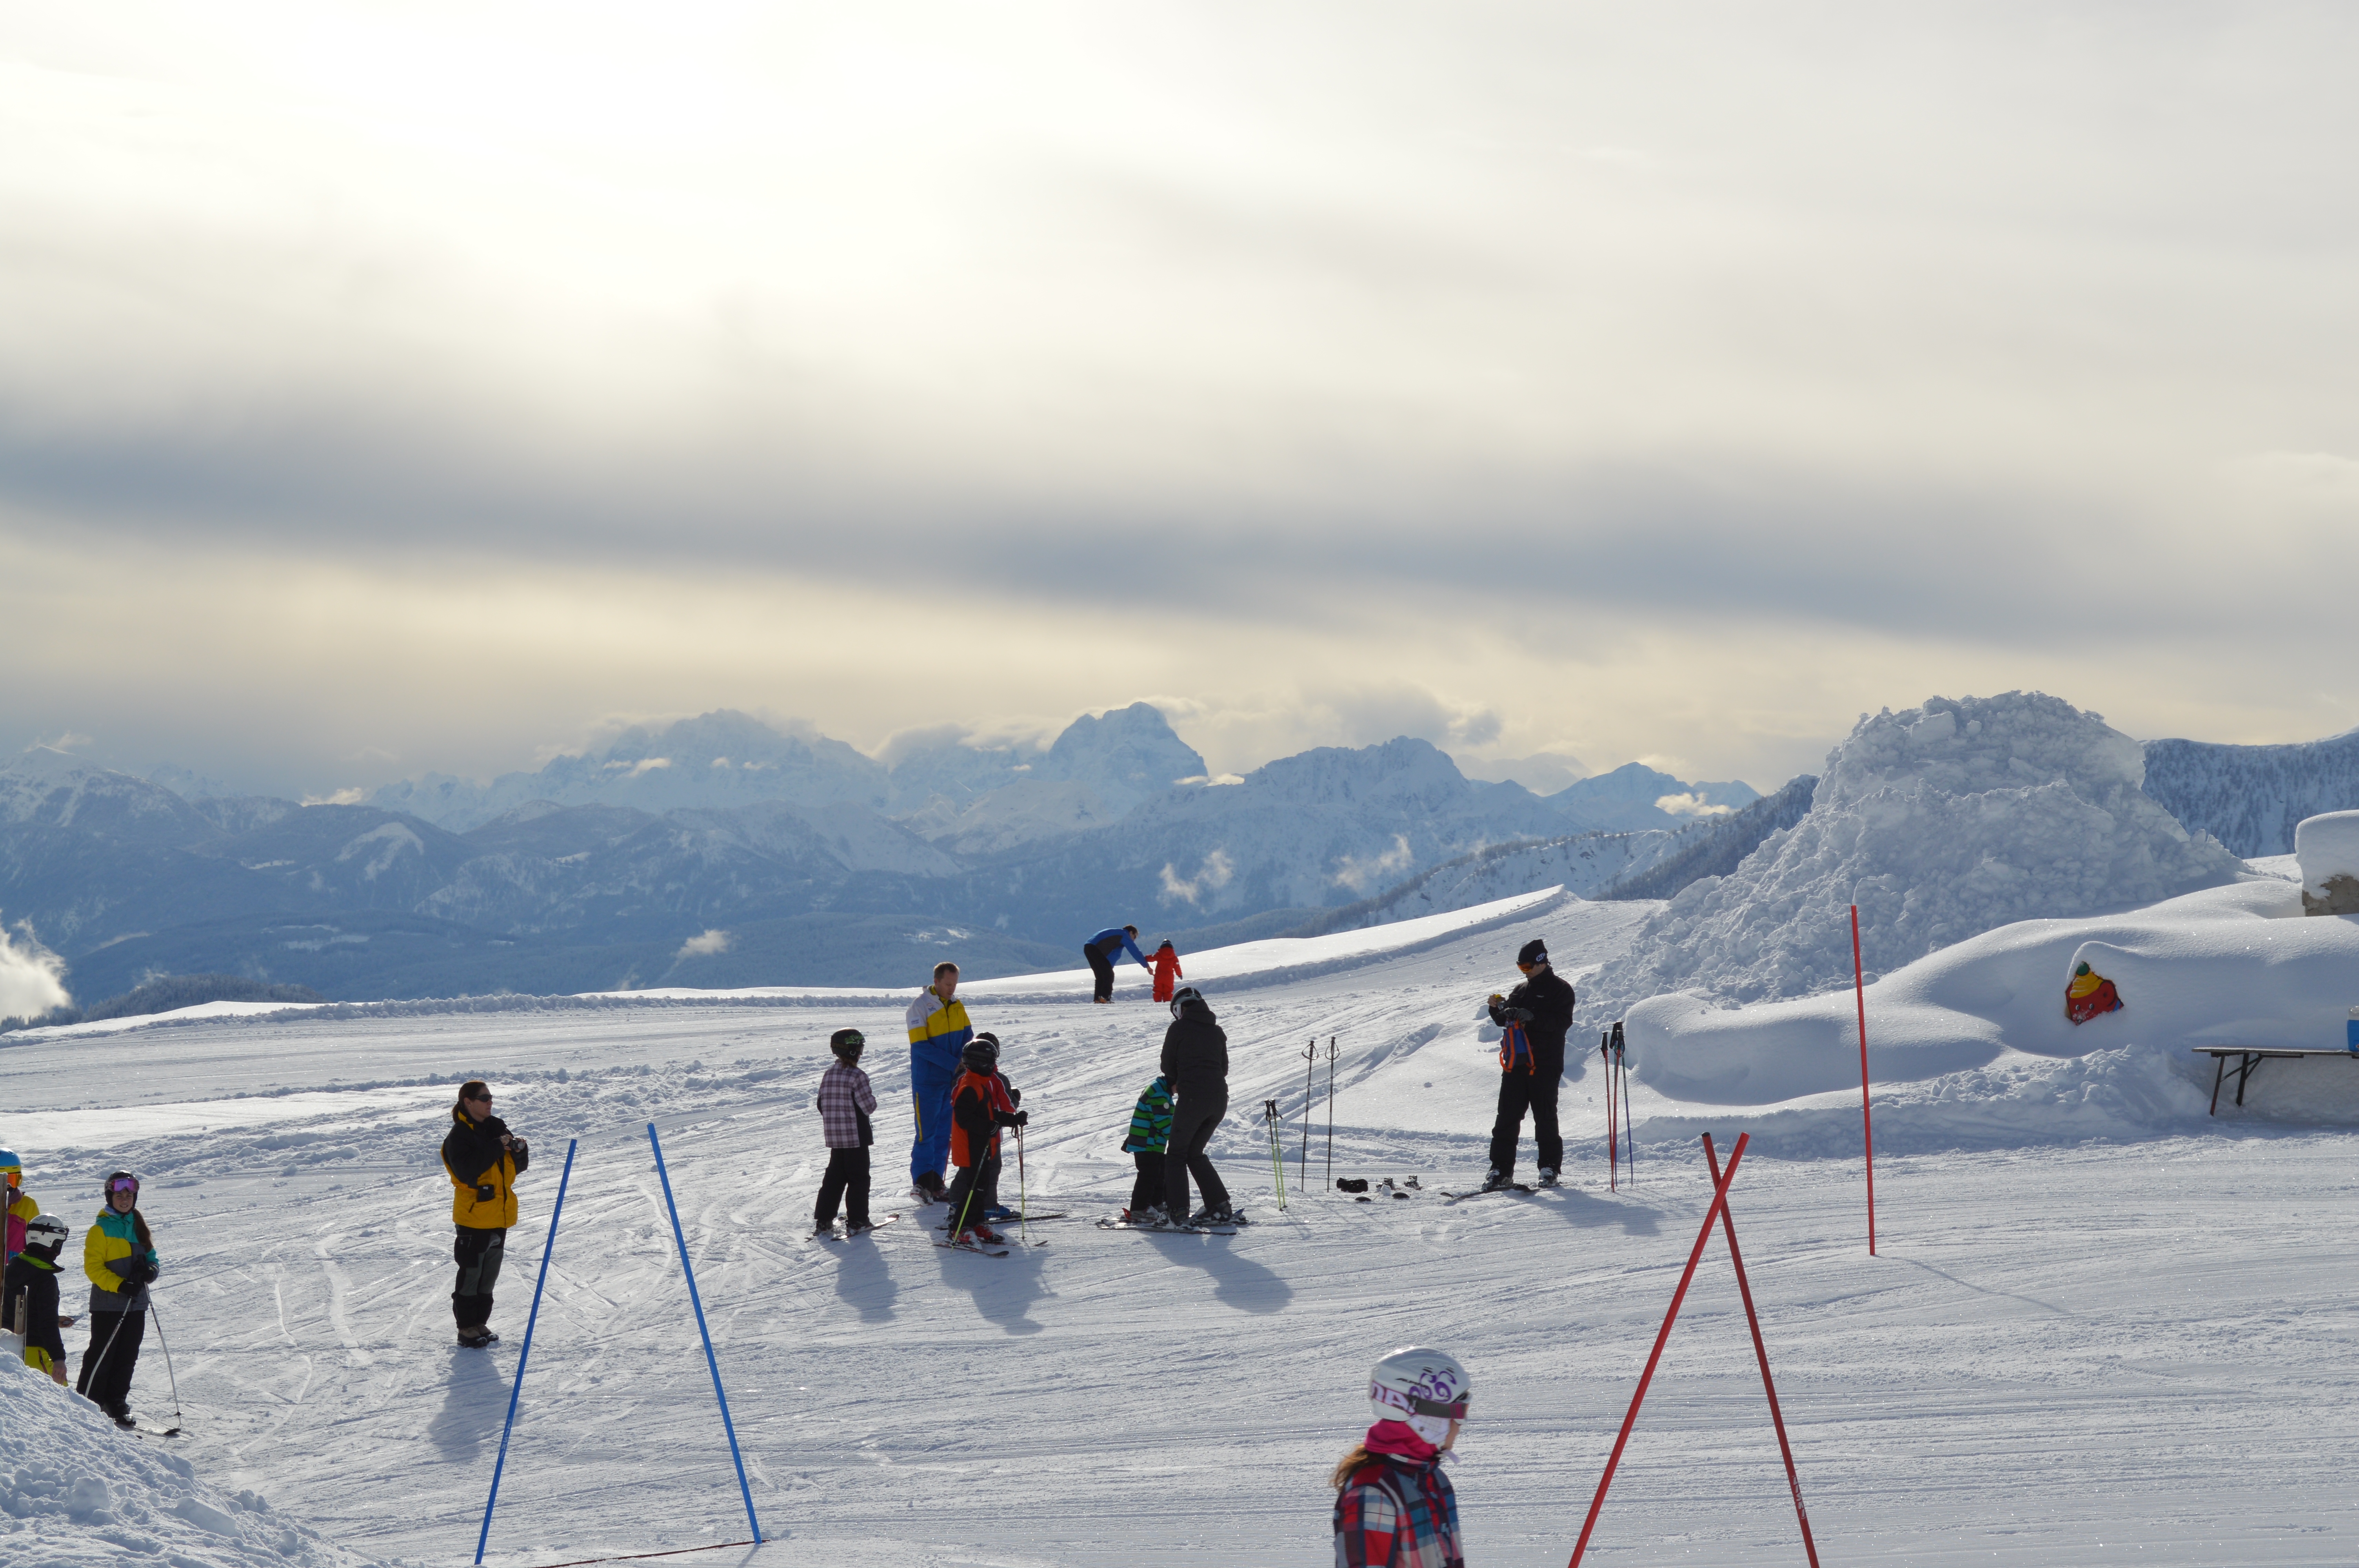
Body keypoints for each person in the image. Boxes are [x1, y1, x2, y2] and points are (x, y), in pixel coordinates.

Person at [1331, 1346, 1471, 1568]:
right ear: (1429, 1418)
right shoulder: (1374, 1494)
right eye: (1460, 1412)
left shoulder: (1434, 1479)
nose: (1462, 1424)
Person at [1482, 938, 1576, 1191]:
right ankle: (1500, 1170)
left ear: (1541, 962)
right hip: (1516, 1064)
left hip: (1545, 1065)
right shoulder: (1520, 991)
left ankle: (1549, 1169)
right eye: (1520, 968)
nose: (1524, 973)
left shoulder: (1562, 991)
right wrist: (1497, 1010)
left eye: (1526, 968)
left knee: (1545, 1118)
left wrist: (1533, 1018)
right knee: (1507, 1119)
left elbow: (1560, 1023)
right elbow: (1505, 1020)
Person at [442, 1080, 530, 1349]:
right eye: (484, 1098)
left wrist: (520, 1150)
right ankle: (466, 1328)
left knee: (489, 1274)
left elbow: (518, 1168)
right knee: (471, 1273)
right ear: (468, 1103)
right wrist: (496, 1147)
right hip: (474, 1216)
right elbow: (469, 1171)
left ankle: (480, 1323)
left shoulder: (497, 1128)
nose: (490, 1102)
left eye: (491, 1097)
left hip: (499, 1214)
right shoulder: (459, 1136)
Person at [77, 1171, 158, 1426]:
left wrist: (150, 1271)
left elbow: (153, 1259)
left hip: (136, 1305)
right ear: (110, 1196)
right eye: (119, 1194)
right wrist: (121, 1285)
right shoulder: (100, 1230)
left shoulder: (139, 1227)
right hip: (108, 1305)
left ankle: (117, 1401)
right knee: (103, 1354)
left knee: (127, 1355)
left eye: (129, 1195)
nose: (124, 1199)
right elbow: (94, 1269)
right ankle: (89, 1400)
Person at [1160, 984, 1236, 1226]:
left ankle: (1177, 1213)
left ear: (1180, 1009)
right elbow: (1223, 1069)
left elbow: (1167, 1063)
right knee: (1194, 1153)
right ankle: (1220, 1206)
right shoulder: (1217, 1031)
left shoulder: (1178, 1028)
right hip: (1219, 1100)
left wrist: (1174, 1083)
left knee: (1175, 1155)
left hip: (1194, 1099)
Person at [905, 962, 975, 1203]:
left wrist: (966, 1060)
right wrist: (953, 1063)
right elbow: (920, 1046)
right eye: (948, 984)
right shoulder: (920, 1007)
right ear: (936, 981)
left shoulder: (957, 1006)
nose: (951, 989)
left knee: (945, 1133)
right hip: (928, 1081)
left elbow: (968, 1036)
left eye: (954, 984)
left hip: (952, 1081)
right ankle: (921, 1184)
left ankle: (936, 1184)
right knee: (926, 1133)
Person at [945, 1037, 1025, 1246]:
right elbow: (965, 1119)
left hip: (982, 1146)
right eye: (990, 1063)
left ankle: (977, 1222)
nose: (993, 1067)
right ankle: (958, 1229)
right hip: (971, 1147)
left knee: (980, 1187)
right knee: (973, 1188)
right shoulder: (969, 1086)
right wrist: (987, 1127)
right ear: (980, 1063)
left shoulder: (981, 1083)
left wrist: (1014, 1120)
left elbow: (990, 1115)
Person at [815, 1028, 880, 1235]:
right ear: (854, 1052)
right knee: (859, 1178)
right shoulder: (858, 1076)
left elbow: (820, 1104)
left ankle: (824, 1219)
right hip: (856, 1137)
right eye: (860, 1049)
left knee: (834, 1177)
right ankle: (858, 1220)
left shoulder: (829, 1074)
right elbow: (868, 1106)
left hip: (835, 1138)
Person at [4, 1214, 74, 1386]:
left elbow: (14, 1310)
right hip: (35, 1353)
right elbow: (46, 1325)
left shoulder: (11, 1268)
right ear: (53, 1243)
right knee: (64, 1403)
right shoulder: (45, 1279)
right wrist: (58, 1358)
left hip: (7, 1352)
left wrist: (55, 1319)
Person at [970, 1033, 1023, 1224]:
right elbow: (1008, 1108)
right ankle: (988, 1205)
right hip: (991, 1133)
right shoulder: (998, 1078)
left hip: (967, 1133)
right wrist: (1016, 1099)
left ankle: (959, 1204)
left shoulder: (965, 1076)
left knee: (969, 1170)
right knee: (991, 1168)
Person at [1120, 1073, 1174, 1223]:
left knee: (1158, 1174)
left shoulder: (1161, 1091)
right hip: (1146, 1143)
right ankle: (1139, 1209)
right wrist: (1177, 1139)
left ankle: (1155, 1205)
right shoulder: (1159, 1093)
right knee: (1149, 1175)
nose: (1178, 1092)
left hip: (1153, 1144)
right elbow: (1163, 1121)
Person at [1083, 924, 1150, 1004]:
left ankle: (1098, 999)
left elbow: (1114, 955)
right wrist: (1147, 966)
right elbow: (1134, 951)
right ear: (1131, 933)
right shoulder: (1124, 935)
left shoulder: (1117, 935)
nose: (1134, 940)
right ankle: (1105, 998)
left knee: (1101, 976)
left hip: (1088, 947)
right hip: (1095, 949)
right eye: (1135, 937)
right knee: (1109, 976)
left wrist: (1108, 968)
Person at [0, 1149, 38, 1273]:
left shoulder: (27, 1205)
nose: (7, 1186)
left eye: (12, 1180)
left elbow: (37, 1244)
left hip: (15, 1275)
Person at [1150, 940, 1184, 1005]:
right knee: (1168, 991)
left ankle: (1158, 1003)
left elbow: (1151, 958)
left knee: (1158, 990)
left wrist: (1144, 959)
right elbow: (1177, 967)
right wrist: (1180, 974)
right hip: (1169, 978)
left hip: (1159, 977)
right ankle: (1168, 1004)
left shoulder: (1159, 955)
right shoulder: (1174, 958)